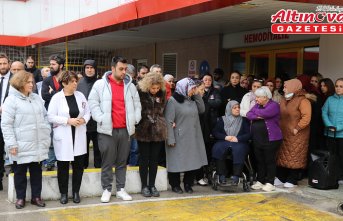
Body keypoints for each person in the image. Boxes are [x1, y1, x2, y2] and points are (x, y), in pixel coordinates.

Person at [88, 56, 141, 202]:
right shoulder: (100, 85)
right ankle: (106, 189)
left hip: (125, 130)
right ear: (112, 69)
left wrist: (135, 119)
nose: (124, 72)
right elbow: (92, 103)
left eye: (125, 69)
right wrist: (100, 118)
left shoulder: (130, 86)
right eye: (121, 69)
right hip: (107, 130)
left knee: (122, 161)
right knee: (107, 161)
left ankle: (120, 189)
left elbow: (137, 105)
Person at [1, 70, 51, 209]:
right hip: (20, 145)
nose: (31, 84)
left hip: (37, 143)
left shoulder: (36, 98)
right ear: (20, 83)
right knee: (19, 172)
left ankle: (36, 197)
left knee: (37, 172)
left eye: (32, 82)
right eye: (28, 82)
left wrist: (46, 131)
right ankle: (20, 198)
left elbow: (45, 117)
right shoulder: (11, 100)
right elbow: (6, 124)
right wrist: (11, 144)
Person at [48, 71, 90, 204]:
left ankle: (76, 192)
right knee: (63, 167)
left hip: (78, 134)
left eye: (76, 81)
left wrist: (83, 119)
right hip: (64, 135)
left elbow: (88, 112)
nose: (75, 83)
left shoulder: (81, 95)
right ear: (64, 83)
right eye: (72, 81)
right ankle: (64, 193)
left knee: (78, 166)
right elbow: (50, 116)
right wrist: (67, 121)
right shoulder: (56, 98)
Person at [164, 78, 208, 194]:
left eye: (194, 88)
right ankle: (175, 184)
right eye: (192, 88)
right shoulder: (173, 101)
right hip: (178, 136)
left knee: (193, 161)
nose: (193, 90)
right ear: (184, 88)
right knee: (176, 161)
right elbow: (168, 121)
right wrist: (170, 138)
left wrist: (197, 95)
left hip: (193, 136)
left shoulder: (193, 100)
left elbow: (202, 109)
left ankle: (188, 184)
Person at [135, 72, 166, 197]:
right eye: (153, 88)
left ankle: (152, 185)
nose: (155, 90)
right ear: (147, 85)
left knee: (154, 159)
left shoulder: (161, 93)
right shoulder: (140, 92)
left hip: (158, 130)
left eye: (158, 88)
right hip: (143, 129)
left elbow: (162, 109)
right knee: (144, 159)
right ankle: (144, 186)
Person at [276, 79, 311, 188]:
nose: (283, 88)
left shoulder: (303, 100)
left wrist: (297, 128)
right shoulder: (283, 99)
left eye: (286, 87)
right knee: (282, 155)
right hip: (283, 132)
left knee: (295, 156)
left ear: (293, 87)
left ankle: (292, 179)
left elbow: (307, 117)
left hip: (297, 134)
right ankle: (281, 177)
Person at [247, 87, 282, 192]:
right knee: (260, 160)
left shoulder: (274, 105)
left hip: (271, 139)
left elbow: (266, 113)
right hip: (258, 138)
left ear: (265, 97)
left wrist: (256, 113)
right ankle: (260, 181)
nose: (256, 99)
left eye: (258, 97)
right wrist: (257, 115)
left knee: (269, 160)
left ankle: (270, 182)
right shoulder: (258, 105)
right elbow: (249, 114)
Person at [212, 100, 250, 185]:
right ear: (229, 109)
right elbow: (215, 132)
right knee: (218, 148)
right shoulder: (222, 119)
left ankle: (236, 176)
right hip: (224, 141)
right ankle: (221, 175)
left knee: (239, 149)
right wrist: (225, 137)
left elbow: (249, 134)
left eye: (238, 107)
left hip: (239, 142)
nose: (237, 109)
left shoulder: (244, 120)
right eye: (234, 108)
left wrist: (238, 138)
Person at [196, 73, 221, 185]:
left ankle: (208, 174)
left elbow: (218, 102)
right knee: (198, 151)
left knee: (208, 151)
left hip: (210, 125)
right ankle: (197, 175)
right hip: (199, 125)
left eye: (209, 80)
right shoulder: (196, 93)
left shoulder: (215, 91)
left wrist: (206, 102)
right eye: (205, 79)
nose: (207, 81)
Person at [77, 59, 101, 168]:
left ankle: (98, 168)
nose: (89, 70)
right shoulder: (78, 83)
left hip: (97, 121)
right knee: (83, 148)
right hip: (83, 122)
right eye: (87, 68)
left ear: (95, 69)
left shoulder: (101, 83)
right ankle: (83, 169)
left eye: (92, 68)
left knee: (98, 148)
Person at [42, 54, 64, 171]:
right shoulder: (47, 80)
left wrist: (53, 92)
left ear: (61, 66)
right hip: (50, 114)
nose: (51, 66)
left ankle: (63, 161)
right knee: (51, 140)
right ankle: (50, 164)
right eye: (50, 64)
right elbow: (44, 96)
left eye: (53, 64)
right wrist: (58, 93)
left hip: (65, 114)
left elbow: (67, 93)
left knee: (64, 138)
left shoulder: (66, 78)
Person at [322, 78, 343, 183]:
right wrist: (329, 125)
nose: (338, 88)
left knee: (341, 155)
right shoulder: (330, 99)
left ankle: (341, 176)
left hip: (341, 135)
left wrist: (338, 128)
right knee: (331, 155)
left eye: (341, 86)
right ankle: (332, 174)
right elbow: (324, 112)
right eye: (337, 86)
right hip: (330, 133)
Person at [0, 52, 13, 191]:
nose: (2, 66)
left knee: (10, 149)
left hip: (10, 120)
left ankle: (12, 176)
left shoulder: (15, 80)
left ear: (9, 64)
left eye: (4, 63)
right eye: (0, 64)